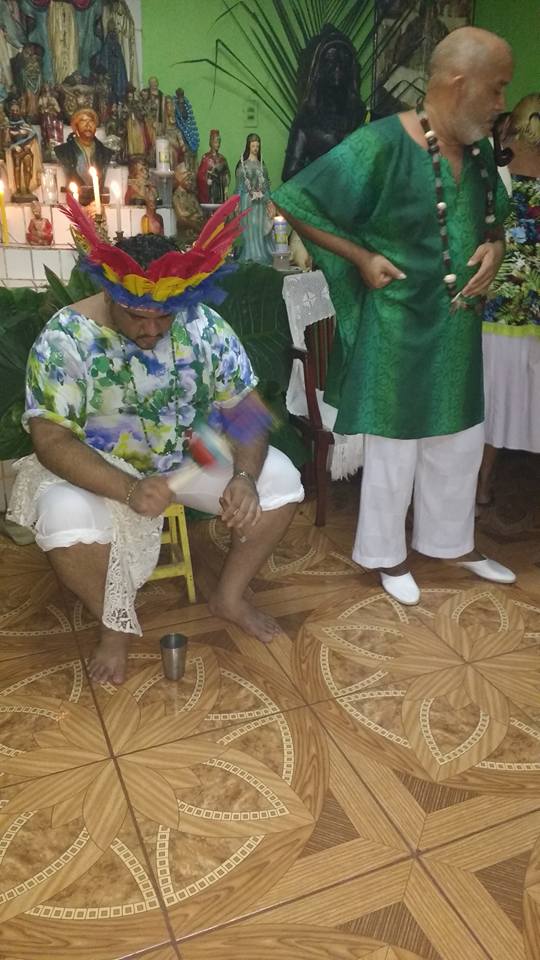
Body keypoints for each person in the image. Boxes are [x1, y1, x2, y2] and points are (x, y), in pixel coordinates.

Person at [8, 195, 304, 685]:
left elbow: (246, 410)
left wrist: (245, 477)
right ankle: (113, 625)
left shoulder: (203, 324)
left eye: (164, 317)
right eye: (136, 316)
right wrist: (126, 488)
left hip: (189, 462)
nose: (151, 330)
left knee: (282, 483)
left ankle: (229, 597)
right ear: (109, 293)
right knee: (61, 519)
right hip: (101, 469)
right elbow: (51, 439)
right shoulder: (66, 338)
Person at [274, 26, 516, 606]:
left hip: (456, 325)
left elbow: (494, 224)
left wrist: (495, 249)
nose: (502, 102)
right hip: (397, 324)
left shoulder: (480, 151)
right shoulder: (380, 143)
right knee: (396, 445)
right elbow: (296, 199)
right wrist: (360, 258)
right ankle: (386, 554)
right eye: (496, 88)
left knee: (459, 437)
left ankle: (451, 543)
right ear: (458, 84)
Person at [478, 93, 540, 505]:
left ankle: (480, 485)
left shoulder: (497, 158)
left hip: (510, 296)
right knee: (500, 395)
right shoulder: (496, 159)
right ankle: (480, 484)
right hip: (508, 297)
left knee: (496, 395)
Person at [282, 25, 365, 182]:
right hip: (320, 194)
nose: (337, 66)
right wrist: (325, 178)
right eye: (330, 59)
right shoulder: (306, 121)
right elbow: (289, 173)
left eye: (343, 59)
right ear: (318, 69)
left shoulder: (363, 117)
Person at [55, 108, 113, 206]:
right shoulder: (64, 151)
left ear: (95, 126)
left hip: (96, 202)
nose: (88, 125)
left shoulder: (105, 153)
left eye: (91, 121)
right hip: (77, 199)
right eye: (83, 121)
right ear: (75, 126)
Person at [235, 133, 275, 264]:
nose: (255, 148)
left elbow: (266, 187)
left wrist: (269, 202)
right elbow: (239, 186)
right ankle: (249, 253)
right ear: (248, 146)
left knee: (258, 226)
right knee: (249, 226)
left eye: (257, 146)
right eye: (253, 146)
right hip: (247, 201)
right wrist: (236, 202)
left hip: (259, 203)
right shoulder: (243, 165)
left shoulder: (262, 166)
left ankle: (259, 252)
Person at [197, 128, 230, 204]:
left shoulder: (222, 159)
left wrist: (226, 186)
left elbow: (227, 174)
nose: (217, 145)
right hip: (210, 190)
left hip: (220, 189)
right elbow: (200, 175)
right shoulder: (206, 158)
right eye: (215, 142)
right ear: (211, 143)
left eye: (219, 142)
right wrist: (206, 181)